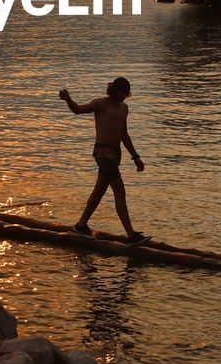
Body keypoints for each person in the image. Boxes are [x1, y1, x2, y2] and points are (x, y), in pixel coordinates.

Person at [58, 77, 151, 244]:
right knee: (120, 192)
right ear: (114, 91)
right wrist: (68, 100)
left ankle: (81, 225)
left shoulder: (124, 108)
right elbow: (78, 110)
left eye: (126, 94)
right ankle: (131, 235)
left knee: (99, 191)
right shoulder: (101, 104)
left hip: (115, 155)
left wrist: (136, 156)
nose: (124, 97)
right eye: (122, 93)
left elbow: (124, 134)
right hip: (103, 154)